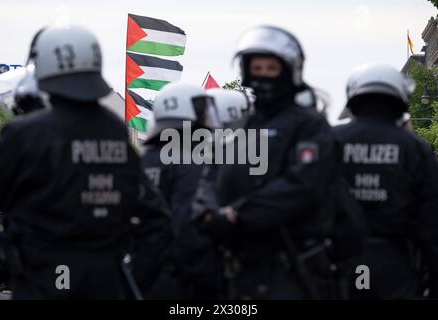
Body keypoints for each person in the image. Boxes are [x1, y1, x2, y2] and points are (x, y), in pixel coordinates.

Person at [0, 25, 174, 299]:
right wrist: (137, 278)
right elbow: (157, 221)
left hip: (41, 279)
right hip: (107, 282)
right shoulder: (116, 130)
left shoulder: (25, 134)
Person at [198, 25, 342, 299]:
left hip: (292, 266)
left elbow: (302, 185)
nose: (262, 74)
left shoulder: (310, 125)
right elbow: (212, 174)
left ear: (289, 71)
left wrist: (237, 214)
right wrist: (207, 209)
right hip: (241, 268)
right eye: (257, 67)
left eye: (270, 68)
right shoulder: (244, 125)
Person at [334, 64, 438, 299]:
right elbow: (431, 218)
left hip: (338, 259)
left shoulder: (332, 140)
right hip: (397, 262)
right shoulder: (415, 147)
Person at [141, 82, 224, 299]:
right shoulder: (189, 164)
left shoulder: (144, 161)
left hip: (143, 274)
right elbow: (187, 230)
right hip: (180, 283)